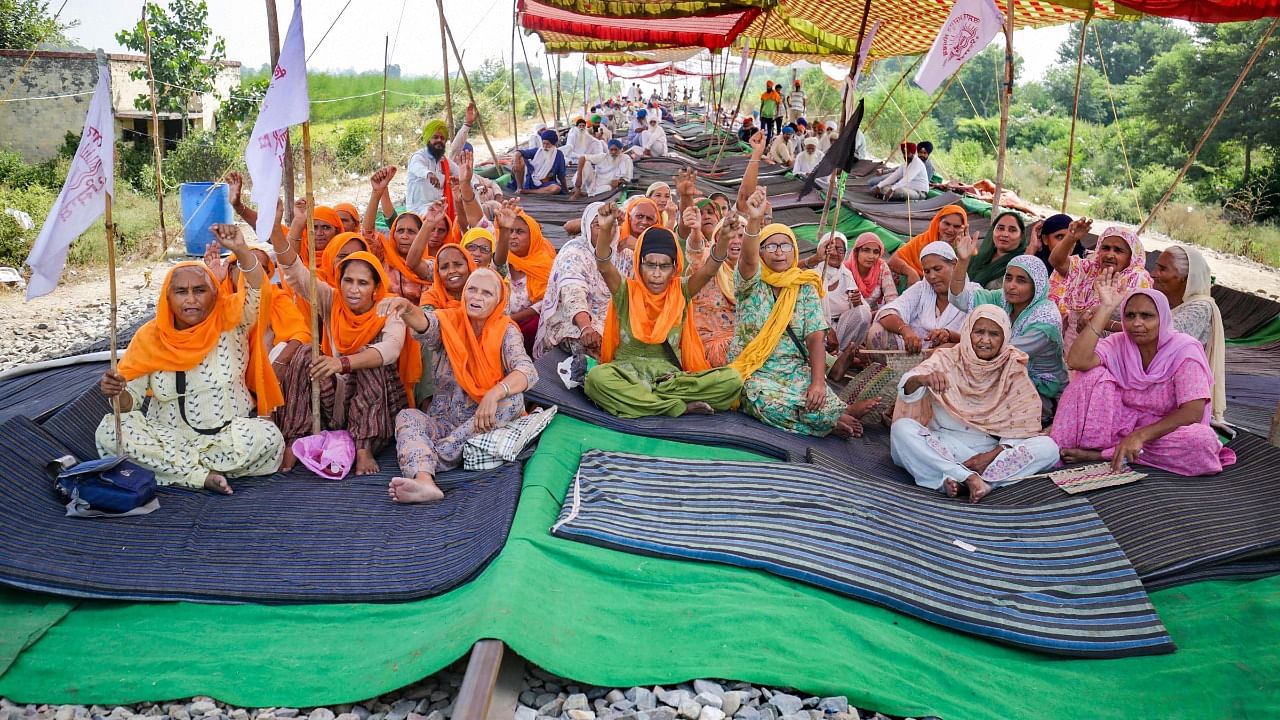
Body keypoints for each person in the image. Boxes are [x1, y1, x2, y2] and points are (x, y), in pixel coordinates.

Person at [97, 226, 284, 494]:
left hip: (227, 439)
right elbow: (129, 406)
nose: (191, 300)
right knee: (111, 430)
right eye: (181, 292)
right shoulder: (149, 337)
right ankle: (201, 476)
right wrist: (117, 392)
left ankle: (174, 469)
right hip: (168, 437)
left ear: (215, 293)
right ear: (168, 297)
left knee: (269, 437)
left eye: (200, 290)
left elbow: (258, 289)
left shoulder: (231, 320)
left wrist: (241, 250)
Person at [385, 268, 537, 503]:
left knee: (511, 401)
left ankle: (427, 457)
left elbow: (527, 371)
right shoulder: (449, 322)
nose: (477, 297)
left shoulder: (505, 331)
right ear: (464, 293)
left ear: (499, 301)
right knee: (407, 416)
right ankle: (425, 481)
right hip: (444, 422)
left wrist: (494, 393)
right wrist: (406, 308)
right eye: (472, 290)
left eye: (487, 293)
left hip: (483, 422)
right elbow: (425, 323)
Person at [1051, 282, 1235, 476]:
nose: (1137, 323)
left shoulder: (1184, 351)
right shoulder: (1120, 343)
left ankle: (1103, 454)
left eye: (1146, 316)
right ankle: (1060, 448)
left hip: (1163, 432)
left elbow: (1193, 412)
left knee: (1202, 441)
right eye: (1130, 316)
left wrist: (1140, 436)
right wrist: (1105, 309)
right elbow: (1077, 361)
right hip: (1119, 424)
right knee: (1091, 376)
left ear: (1162, 319)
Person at [582, 207, 743, 418]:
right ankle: (677, 407)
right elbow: (604, 265)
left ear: (674, 267)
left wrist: (723, 239)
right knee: (596, 378)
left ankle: (647, 402)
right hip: (627, 375)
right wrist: (605, 230)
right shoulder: (625, 291)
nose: (657, 274)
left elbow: (710, 268)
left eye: (664, 266)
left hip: (670, 381)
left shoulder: (682, 290)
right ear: (639, 264)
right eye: (650, 265)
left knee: (732, 380)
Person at [890, 305, 1060, 502]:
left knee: (1048, 448)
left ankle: (971, 481)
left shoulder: (1011, 366)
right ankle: (967, 477)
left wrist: (991, 456)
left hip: (991, 453)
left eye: (994, 334)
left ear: (1004, 337)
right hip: (943, 446)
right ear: (968, 332)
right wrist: (923, 379)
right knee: (902, 429)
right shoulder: (947, 358)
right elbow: (906, 386)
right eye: (979, 332)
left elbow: (1021, 428)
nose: (985, 340)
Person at [729, 190, 862, 438]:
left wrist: (818, 381)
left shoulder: (804, 286)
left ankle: (828, 416)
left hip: (794, 369)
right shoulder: (751, 284)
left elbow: (814, 337)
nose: (779, 252)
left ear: (794, 251)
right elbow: (746, 261)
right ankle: (832, 420)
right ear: (760, 251)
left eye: (785, 246)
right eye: (771, 246)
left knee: (817, 398)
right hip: (756, 370)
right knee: (765, 403)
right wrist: (754, 222)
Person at [277, 248, 422, 476]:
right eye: (348, 281)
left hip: (377, 410)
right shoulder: (331, 300)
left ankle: (364, 447)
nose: (353, 289)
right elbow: (296, 273)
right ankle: (294, 438)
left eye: (362, 283)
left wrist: (343, 363)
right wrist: (274, 228)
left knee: (369, 357)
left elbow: (391, 349)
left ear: (375, 288)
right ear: (339, 281)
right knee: (306, 353)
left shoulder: (390, 307)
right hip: (336, 403)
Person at [951, 236, 1066, 422]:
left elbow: (1005, 354)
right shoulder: (1003, 299)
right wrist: (963, 261)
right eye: (1008, 278)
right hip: (1000, 374)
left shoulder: (1046, 318)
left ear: (1036, 285)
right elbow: (959, 299)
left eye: (1021, 280)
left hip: (1038, 390)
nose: (1011, 286)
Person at [534, 202, 625, 359]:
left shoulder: (623, 254)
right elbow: (573, 294)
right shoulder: (574, 252)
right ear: (586, 227)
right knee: (592, 343)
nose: (606, 230)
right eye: (598, 225)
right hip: (575, 320)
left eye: (612, 225)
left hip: (611, 319)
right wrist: (586, 328)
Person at [1152, 245, 1226, 424]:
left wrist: (1106, 324)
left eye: (1163, 269)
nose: (1154, 274)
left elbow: (1160, 337)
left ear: (1185, 278)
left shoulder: (1200, 307)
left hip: (1178, 393)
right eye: (1156, 267)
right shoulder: (1161, 302)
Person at [1052, 225, 1152, 356]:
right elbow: (1057, 262)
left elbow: (1140, 326)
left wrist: (1099, 323)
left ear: (1131, 256)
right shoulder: (1090, 268)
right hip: (1071, 351)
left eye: (1118, 250)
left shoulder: (1138, 279)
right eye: (1105, 248)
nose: (1110, 255)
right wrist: (1070, 238)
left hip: (1107, 355)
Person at [869, 241, 975, 352]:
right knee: (877, 331)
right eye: (927, 271)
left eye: (937, 269)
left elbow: (980, 337)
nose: (932, 276)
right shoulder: (921, 289)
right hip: (914, 355)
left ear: (954, 265)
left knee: (949, 350)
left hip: (952, 360)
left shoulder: (973, 293)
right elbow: (887, 312)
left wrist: (950, 336)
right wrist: (905, 330)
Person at [495, 200, 557, 347]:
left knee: (534, 325)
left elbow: (545, 303)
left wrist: (512, 319)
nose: (513, 236)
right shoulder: (503, 259)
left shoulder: (544, 264)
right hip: (498, 321)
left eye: (520, 232)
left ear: (533, 236)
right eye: (510, 231)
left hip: (526, 324)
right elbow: (497, 264)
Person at [690, 214, 745, 366]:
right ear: (716, 240)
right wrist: (695, 231)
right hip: (708, 349)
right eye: (728, 236)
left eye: (741, 235)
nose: (735, 241)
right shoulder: (706, 262)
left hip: (745, 345)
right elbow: (695, 252)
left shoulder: (755, 273)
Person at [831, 232, 898, 351]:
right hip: (849, 320)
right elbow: (838, 305)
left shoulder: (881, 267)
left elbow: (892, 299)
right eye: (866, 250)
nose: (871, 256)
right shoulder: (845, 270)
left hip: (876, 317)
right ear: (856, 252)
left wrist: (878, 315)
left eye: (876, 252)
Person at [406, 104, 475, 214]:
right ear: (428, 139)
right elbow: (417, 167)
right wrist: (428, 174)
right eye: (435, 137)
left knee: (464, 209)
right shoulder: (418, 157)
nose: (439, 140)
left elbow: (462, 173)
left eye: (442, 138)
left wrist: (475, 184)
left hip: (439, 208)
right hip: (418, 211)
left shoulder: (444, 161)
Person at [1025, 213, 1088, 317]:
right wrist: (1033, 246)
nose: (1067, 242)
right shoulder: (1036, 262)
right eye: (1060, 237)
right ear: (1045, 239)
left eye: (1071, 237)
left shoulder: (1085, 265)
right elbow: (1021, 279)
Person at [887, 204, 968, 285]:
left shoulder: (964, 249)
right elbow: (893, 261)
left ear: (963, 228)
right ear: (938, 222)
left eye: (956, 226)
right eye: (946, 224)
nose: (950, 230)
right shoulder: (922, 240)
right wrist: (911, 273)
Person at [966, 211, 1027, 290]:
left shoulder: (1020, 264)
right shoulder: (980, 256)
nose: (1005, 234)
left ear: (1021, 236)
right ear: (993, 230)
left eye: (1012, 230)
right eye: (1000, 228)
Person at [513, 129, 567, 195]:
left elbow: (561, 175)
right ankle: (519, 188)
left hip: (546, 184)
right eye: (543, 143)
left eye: (547, 144)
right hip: (532, 180)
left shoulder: (559, 155)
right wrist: (516, 162)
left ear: (553, 144)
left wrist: (565, 189)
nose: (545, 147)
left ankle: (527, 191)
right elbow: (519, 152)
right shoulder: (537, 151)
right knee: (519, 158)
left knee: (556, 188)